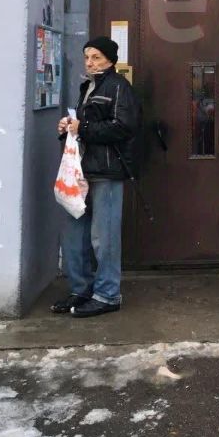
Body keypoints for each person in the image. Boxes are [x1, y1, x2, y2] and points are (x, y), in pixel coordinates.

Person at [52, 36, 141, 318]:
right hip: (82, 170)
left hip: (107, 171)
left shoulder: (119, 87)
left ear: (110, 60)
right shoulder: (88, 86)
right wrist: (68, 127)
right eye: (87, 57)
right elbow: (85, 126)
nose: (90, 63)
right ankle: (81, 290)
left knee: (104, 237)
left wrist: (83, 127)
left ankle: (107, 294)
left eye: (96, 57)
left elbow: (124, 127)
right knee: (75, 235)